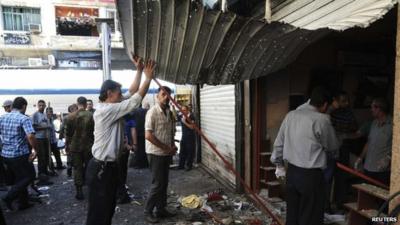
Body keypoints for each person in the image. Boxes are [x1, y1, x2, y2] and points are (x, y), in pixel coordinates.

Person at [85, 55, 154, 225]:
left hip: (106, 168)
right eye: (117, 92)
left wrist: (138, 71)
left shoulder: (110, 106)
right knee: (99, 212)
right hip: (102, 169)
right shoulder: (106, 110)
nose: (120, 95)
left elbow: (131, 92)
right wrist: (148, 78)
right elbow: (136, 99)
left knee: (107, 208)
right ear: (109, 94)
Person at [270, 87, 339, 225]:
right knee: (310, 218)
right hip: (311, 177)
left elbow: (278, 144)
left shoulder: (291, 115)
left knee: (293, 216)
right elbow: (333, 148)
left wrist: (279, 165)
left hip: (292, 174)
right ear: (325, 104)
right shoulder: (321, 120)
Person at [144, 86, 178, 223]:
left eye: (168, 95)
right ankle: (148, 211)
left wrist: (172, 145)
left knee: (164, 183)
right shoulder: (152, 112)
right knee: (157, 183)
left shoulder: (169, 112)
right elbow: (148, 135)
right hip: (156, 153)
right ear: (157, 96)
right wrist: (165, 148)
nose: (166, 97)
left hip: (166, 153)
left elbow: (170, 132)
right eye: (163, 94)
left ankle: (161, 209)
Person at [0, 97, 37, 211]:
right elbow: (30, 136)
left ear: (12, 106)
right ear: (24, 106)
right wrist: (36, 150)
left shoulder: (2, 118)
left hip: (6, 154)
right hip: (20, 155)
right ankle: (9, 197)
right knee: (29, 176)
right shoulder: (24, 119)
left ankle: (23, 203)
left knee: (19, 178)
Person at [355, 98, 392, 185]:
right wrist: (360, 158)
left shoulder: (394, 125)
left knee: (379, 196)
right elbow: (369, 142)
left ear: (379, 109)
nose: (371, 110)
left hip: (382, 171)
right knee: (366, 195)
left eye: (372, 107)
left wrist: (389, 158)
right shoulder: (374, 123)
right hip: (368, 168)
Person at [66, 97, 94, 200]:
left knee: (77, 168)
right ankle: (90, 188)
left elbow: (67, 134)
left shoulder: (71, 116)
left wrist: (67, 146)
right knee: (89, 167)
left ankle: (79, 191)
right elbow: (94, 132)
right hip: (88, 146)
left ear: (77, 104)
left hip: (75, 146)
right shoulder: (91, 115)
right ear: (85, 104)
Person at [117, 113, 137, 204]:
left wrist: (129, 145)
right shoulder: (129, 118)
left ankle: (121, 192)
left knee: (120, 169)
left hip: (120, 148)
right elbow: (133, 131)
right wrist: (134, 144)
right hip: (125, 148)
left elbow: (128, 133)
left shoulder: (118, 118)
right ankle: (122, 188)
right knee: (123, 168)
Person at [31, 100, 53, 185]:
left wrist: (49, 126)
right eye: (40, 105)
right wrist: (45, 127)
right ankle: (41, 175)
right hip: (39, 138)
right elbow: (34, 127)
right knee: (41, 157)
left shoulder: (45, 115)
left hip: (45, 138)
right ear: (37, 106)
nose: (41, 107)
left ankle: (45, 173)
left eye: (43, 106)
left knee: (47, 156)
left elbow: (48, 125)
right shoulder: (35, 115)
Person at [131, 102, 150, 168]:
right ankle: (146, 163)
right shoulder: (146, 111)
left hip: (137, 132)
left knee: (138, 149)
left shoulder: (134, 112)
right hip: (145, 131)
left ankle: (139, 164)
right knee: (144, 148)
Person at [178, 105, 196, 171]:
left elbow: (192, 127)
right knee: (182, 151)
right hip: (184, 137)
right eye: (182, 110)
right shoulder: (182, 116)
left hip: (190, 138)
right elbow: (175, 116)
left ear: (188, 110)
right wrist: (173, 107)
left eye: (184, 110)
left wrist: (185, 122)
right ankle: (181, 165)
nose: (183, 111)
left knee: (190, 152)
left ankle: (189, 166)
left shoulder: (191, 117)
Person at [62, 104, 78, 178]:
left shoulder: (66, 118)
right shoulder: (79, 117)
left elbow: (62, 128)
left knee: (69, 153)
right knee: (74, 154)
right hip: (76, 139)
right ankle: (74, 168)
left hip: (69, 138)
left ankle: (69, 167)